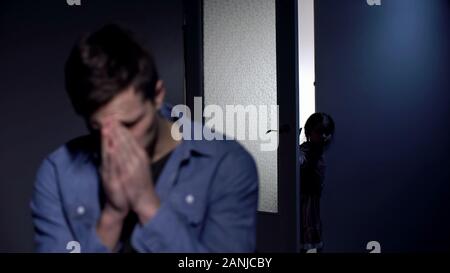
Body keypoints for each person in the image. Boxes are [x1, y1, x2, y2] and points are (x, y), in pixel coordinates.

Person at [30, 24, 258, 253]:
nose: (116, 140)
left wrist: (147, 205)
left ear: (157, 95)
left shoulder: (226, 164)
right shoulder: (57, 172)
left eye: (130, 124)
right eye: (98, 128)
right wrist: (111, 218)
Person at [299, 112, 335, 253]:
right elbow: (299, 161)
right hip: (307, 202)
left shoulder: (326, 152)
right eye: (319, 131)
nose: (324, 136)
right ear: (309, 132)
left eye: (327, 132)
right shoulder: (305, 150)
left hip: (317, 202)